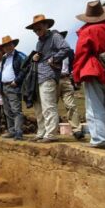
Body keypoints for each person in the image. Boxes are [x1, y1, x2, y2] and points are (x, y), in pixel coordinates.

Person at [73, 0, 105, 149]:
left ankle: (100, 138)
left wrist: (76, 75)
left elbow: (81, 54)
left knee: (95, 106)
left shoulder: (87, 31)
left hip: (93, 70)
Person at [26, 14, 71, 143]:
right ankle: (41, 132)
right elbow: (41, 56)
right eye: (34, 30)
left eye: (38, 28)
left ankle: (51, 134)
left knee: (48, 106)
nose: (36, 31)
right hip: (38, 77)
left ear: (46, 25)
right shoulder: (39, 43)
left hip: (48, 75)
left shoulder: (55, 36)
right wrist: (36, 58)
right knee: (39, 107)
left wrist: (54, 59)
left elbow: (66, 48)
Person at [56, 30, 84, 140]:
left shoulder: (70, 52)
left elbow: (74, 64)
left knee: (71, 105)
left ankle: (77, 130)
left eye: (61, 38)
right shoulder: (51, 52)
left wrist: (74, 77)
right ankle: (50, 131)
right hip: (54, 80)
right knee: (51, 106)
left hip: (67, 79)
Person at [0, 36, 26, 141]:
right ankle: (11, 131)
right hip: (4, 86)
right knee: (7, 110)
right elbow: (2, 72)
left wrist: (17, 81)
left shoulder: (19, 56)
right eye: (5, 46)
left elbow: (24, 69)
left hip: (14, 85)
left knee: (16, 110)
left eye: (9, 45)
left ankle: (18, 132)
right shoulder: (4, 58)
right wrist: (0, 88)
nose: (7, 47)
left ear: (13, 45)